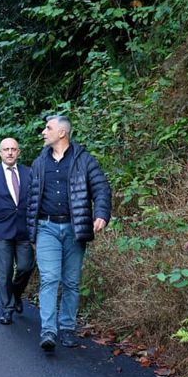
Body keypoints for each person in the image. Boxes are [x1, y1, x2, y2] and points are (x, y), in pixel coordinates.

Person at [27, 114, 111, 351]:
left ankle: (66, 328)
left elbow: (101, 188)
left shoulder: (84, 160)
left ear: (62, 133)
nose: (44, 131)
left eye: (48, 128)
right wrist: (31, 232)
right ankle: (48, 331)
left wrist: (102, 214)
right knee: (50, 278)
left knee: (72, 281)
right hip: (46, 227)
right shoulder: (39, 162)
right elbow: (31, 200)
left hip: (75, 228)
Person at [0, 137, 34, 326]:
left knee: (26, 267)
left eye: (13, 149)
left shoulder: (29, 173)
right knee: (4, 272)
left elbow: (35, 203)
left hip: (25, 230)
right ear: (0, 152)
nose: (10, 152)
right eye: (6, 149)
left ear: (18, 152)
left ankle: (16, 293)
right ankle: (8, 308)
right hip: (1, 231)